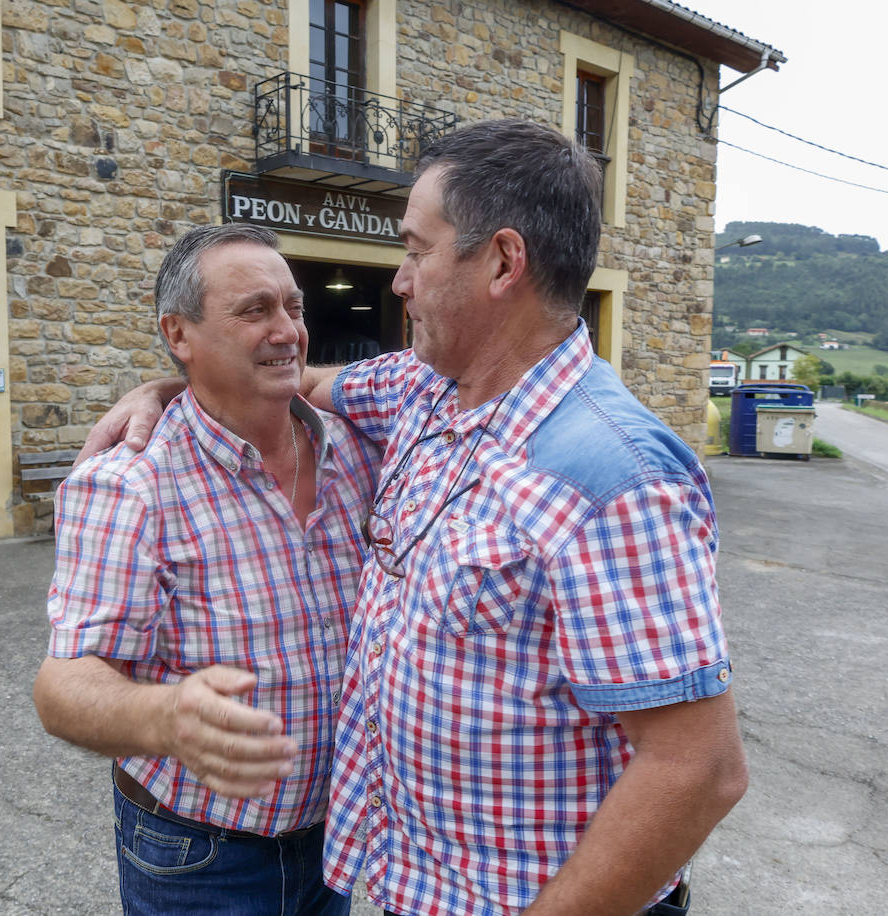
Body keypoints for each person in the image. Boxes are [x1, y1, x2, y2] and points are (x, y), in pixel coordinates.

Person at [88, 119, 748, 916]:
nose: (399, 280)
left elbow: (697, 769)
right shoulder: (425, 389)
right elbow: (303, 382)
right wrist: (175, 387)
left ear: (503, 262)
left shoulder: (611, 475)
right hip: (416, 889)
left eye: (415, 250)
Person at [35, 224, 378, 916]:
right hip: (199, 856)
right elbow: (63, 684)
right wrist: (163, 716)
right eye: (255, 311)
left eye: (294, 307)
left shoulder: (360, 453)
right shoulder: (131, 484)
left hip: (333, 844)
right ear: (179, 334)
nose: (287, 330)